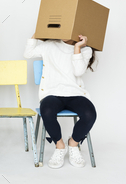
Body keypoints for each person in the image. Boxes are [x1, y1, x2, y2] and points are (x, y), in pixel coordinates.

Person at [24, 34, 97, 169]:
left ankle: (73, 144)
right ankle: (59, 145)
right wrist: (36, 35)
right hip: (52, 93)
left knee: (89, 114)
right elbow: (28, 53)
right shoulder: (49, 45)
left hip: (75, 94)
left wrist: (77, 48)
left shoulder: (85, 49)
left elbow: (78, 71)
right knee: (47, 110)